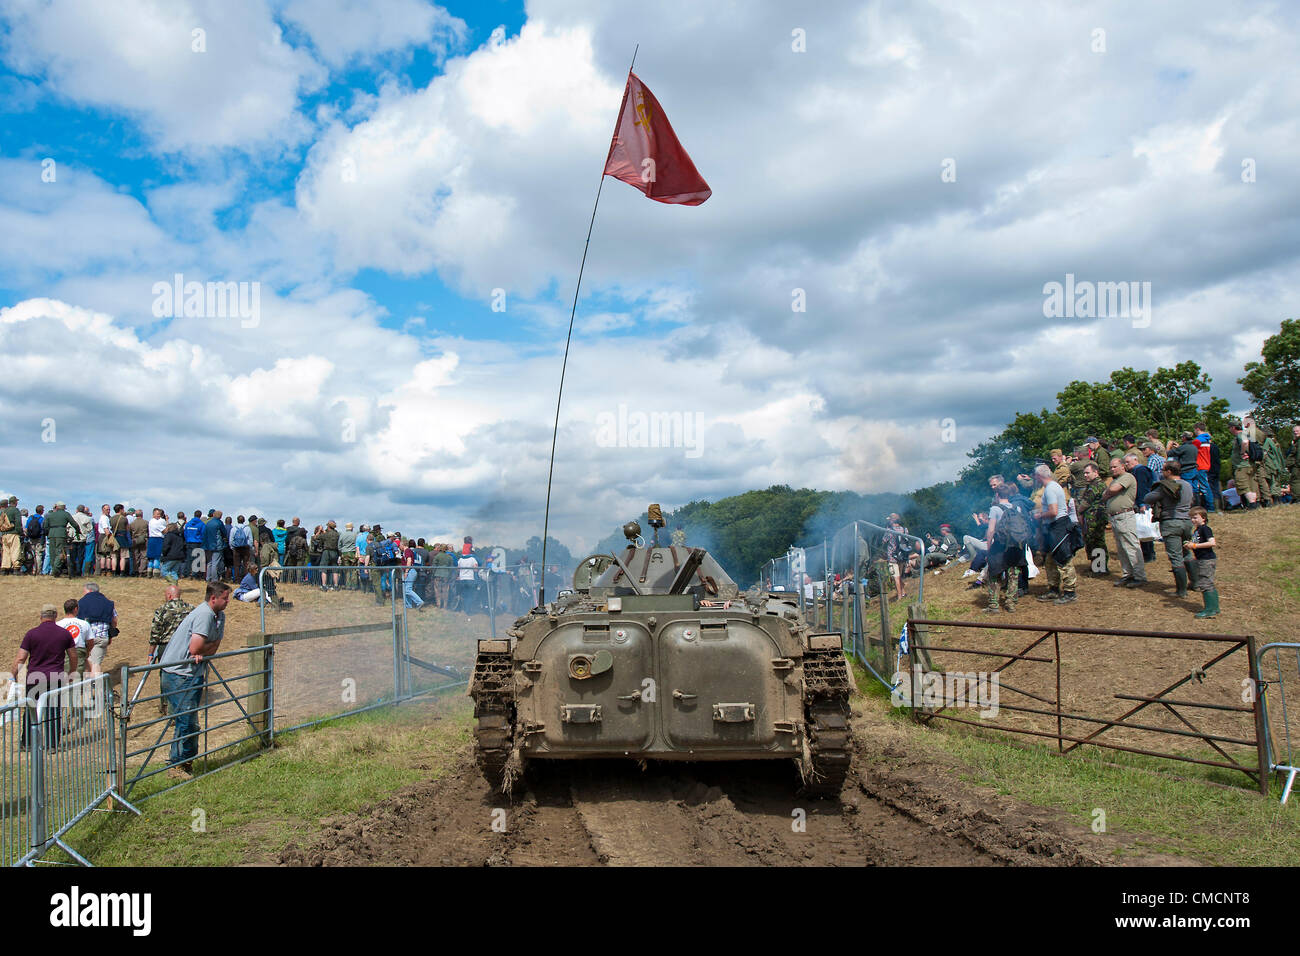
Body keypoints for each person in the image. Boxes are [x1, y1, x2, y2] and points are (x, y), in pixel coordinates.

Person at [158, 581, 231, 778]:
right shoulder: (204, 614)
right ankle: (177, 765)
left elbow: (212, 648)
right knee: (187, 720)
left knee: (187, 720)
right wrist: (205, 648)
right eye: (225, 598)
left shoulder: (219, 616)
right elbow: (195, 649)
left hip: (191, 673)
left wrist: (205, 648)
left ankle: (182, 764)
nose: (227, 602)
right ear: (213, 598)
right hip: (178, 673)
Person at [12, 605, 79, 747]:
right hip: (56, 677)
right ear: (55, 616)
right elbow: (73, 656)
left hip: (35, 678)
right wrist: (72, 672)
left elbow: (20, 658)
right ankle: (52, 745)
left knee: (31, 710)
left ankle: (28, 743)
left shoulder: (32, 634)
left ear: (41, 616)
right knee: (53, 711)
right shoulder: (64, 634)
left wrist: (13, 675)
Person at [1144, 461, 1195, 598]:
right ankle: (1195, 583)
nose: (1162, 472)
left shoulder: (1165, 487)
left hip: (1171, 522)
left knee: (1176, 557)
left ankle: (1181, 591)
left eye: (1163, 470)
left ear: (1169, 472)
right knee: (1186, 553)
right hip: (1187, 521)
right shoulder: (1188, 485)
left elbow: (1148, 498)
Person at [1033, 464, 1076, 604]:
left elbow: (1053, 511)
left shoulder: (1051, 489)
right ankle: (1053, 588)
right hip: (1052, 526)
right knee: (1050, 559)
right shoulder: (1052, 487)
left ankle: (1070, 592)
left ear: (1039, 476)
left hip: (1058, 525)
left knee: (1063, 558)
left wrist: (1040, 515)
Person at [1102, 455, 1146, 588]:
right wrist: (1108, 493)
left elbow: (1112, 490)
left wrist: (1108, 492)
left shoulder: (1127, 477)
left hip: (1125, 516)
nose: (1112, 469)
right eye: (1110, 467)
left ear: (1122, 466)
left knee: (1131, 546)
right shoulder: (1117, 479)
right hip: (1115, 517)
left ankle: (1139, 576)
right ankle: (1128, 574)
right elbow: (1106, 494)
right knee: (1121, 548)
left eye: (1115, 466)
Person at [983, 486, 1026, 613]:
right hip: (1015, 546)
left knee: (994, 575)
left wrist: (989, 548)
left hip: (1000, 546)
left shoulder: (995, 509)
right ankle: (1010, 603)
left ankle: (993, 605)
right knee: (1013, 575)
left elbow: (991, 530)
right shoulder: (1016, 508)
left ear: (997, 495)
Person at [78, 582, 118, 676]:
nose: (83, 594)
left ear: (90, 590)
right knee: (96, 663)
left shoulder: (81, 602)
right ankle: (96, 688)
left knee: (87, 663)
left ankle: (89, 688)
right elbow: (114, 620)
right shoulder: (108, 603)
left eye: (84, 592)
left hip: (86, 638)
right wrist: (110, 634)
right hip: (101, 636)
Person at [1187, 507, 1219, 618]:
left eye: (1195, 517)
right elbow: (1195, 543)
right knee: (1206, 583)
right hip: (1201, 560)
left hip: (1207, 560)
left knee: (1206, 584)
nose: (1193, 520)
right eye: (1191, 518)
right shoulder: (1197, 530)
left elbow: (1212, 543)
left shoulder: (1205, 529)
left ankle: (1210, 609)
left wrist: (1195, 545)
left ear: (1203, 518)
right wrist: (1189, 544)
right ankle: (1214, 607)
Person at [1228, 422, 1262, 509]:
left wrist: (1243, 452)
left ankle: (1252, 504)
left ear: (1233, 428)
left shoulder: (1240, 435)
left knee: (1242, 485)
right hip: (1249, 465)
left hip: (1242, 466)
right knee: (1251, 485)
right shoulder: (1247, 434)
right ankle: (1255, 503)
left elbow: (1245, 442)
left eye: (1229, 427)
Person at [56, 598, 92, 679]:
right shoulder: (84, 624)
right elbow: (91, 641)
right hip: (79, 652)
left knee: (63, 679)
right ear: (76, 609)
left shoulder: (57, 624)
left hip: (62, 653)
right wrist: (87, 651)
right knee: (77, 679)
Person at [44, 501, 77, 577]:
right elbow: (74, 523)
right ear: (64, 508)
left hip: (51, 534)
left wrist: (48, 533)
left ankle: (54, 570)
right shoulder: (66, 514)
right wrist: (78, 531)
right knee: (60, 552)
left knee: (52, 553)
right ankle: (56, 569)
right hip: (61, 534)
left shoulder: (50, 515)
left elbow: (45, 526)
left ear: (57, 507)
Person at [203, 509, 225, 583]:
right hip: (217, 545)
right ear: (220, 516)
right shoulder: (219, 523)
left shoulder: (208, 523)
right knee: (215, 563)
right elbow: (224, 533)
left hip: (208, 545)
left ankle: (208, 578)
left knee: (209, 563)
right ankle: (214, 580)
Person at [0, 495, 21, 573]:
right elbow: (18, 523)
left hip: (4, 534)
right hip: (13, 533)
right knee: (15, 550)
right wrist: (20, 532)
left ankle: (4, 568)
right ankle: (16, 568)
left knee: (6, 551)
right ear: (15, 502)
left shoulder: (4, 511)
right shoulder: (16, 510)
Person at [317, 520, 341, 590]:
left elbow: (316, 538)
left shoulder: (326, 534)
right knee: (335, 569)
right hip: (335, 552)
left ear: (328, 526)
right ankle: (336, 585)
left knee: (324, 569)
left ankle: (324, 585)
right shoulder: (337, 534)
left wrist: (320, 531)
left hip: (326, 551)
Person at [230, 515, 253, 583]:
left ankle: (236, 579)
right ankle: (246, 579)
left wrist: (232, 547)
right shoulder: (247, 528)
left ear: (237, 520)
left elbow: (231, 540)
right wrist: (249, 547)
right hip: (245, 548)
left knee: (236, 565)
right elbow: (250, 539)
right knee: (246, 564)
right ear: (244, 521)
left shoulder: (234, 528)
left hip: (236, 548)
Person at [146, 507, 167, 577]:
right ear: (153, 514)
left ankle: (149, 571)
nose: (159, 516)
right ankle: (156, 572)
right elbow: (165, 531)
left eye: (159, 514)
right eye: (157, 514)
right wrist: (166, 521)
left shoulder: (151, 521)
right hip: (158, 539)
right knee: (157, 556)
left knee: (151, 557)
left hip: (151, 539)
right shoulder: (160, 522)